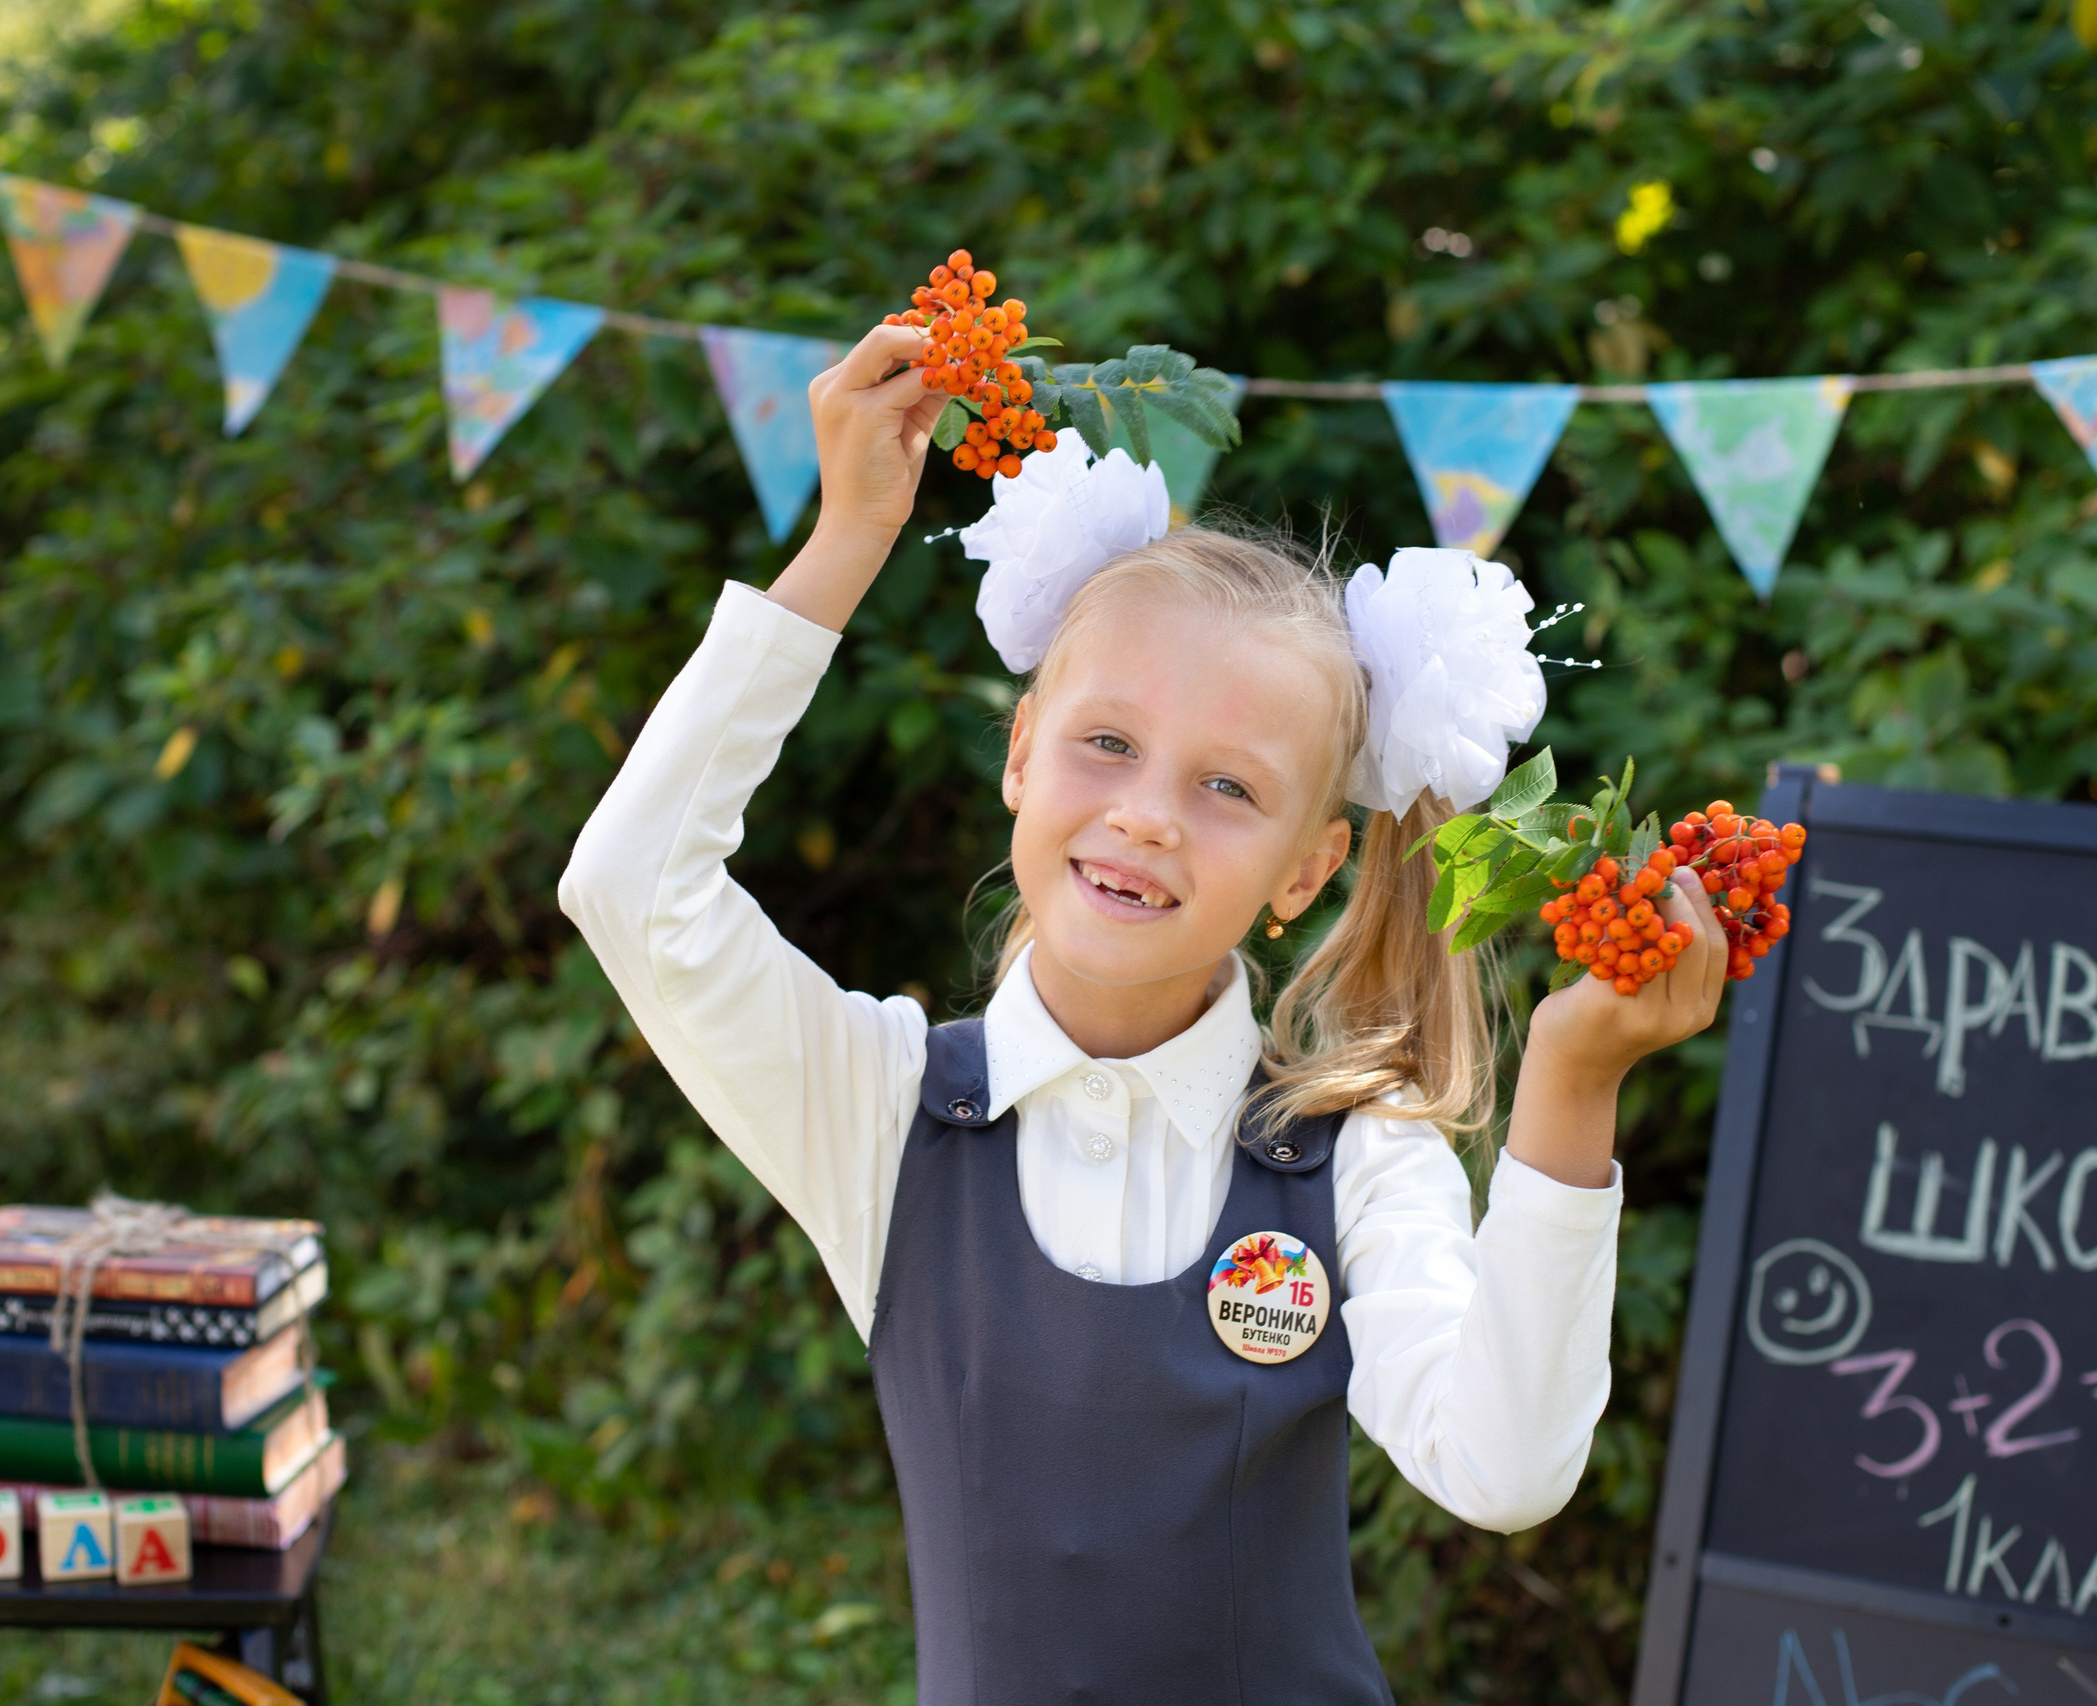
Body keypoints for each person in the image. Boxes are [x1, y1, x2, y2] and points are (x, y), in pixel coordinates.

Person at [559, 322, 1726, 1705]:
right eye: (1107, 742)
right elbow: (631, 886)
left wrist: (1573, 1081)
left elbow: (1506, 1470)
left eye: (1228, 786)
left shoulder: (1351, 1154)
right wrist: (846, 543)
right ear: (1020, 750)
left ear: (1308, 866)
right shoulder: (884, 1115)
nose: (1145, 816)